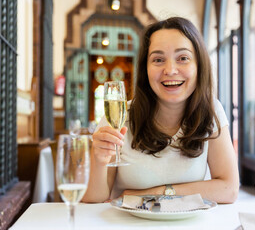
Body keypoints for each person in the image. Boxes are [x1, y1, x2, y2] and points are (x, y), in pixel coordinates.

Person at [82, 17, 239, 204]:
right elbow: (94, 200)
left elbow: (228, 188)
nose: (170, 70)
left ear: (199, 66)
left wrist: (156, 193)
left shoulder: (210, 111)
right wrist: (98, 160)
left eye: (183, 58)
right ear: (145, 69)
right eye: (158, 59)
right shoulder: (120, 116)